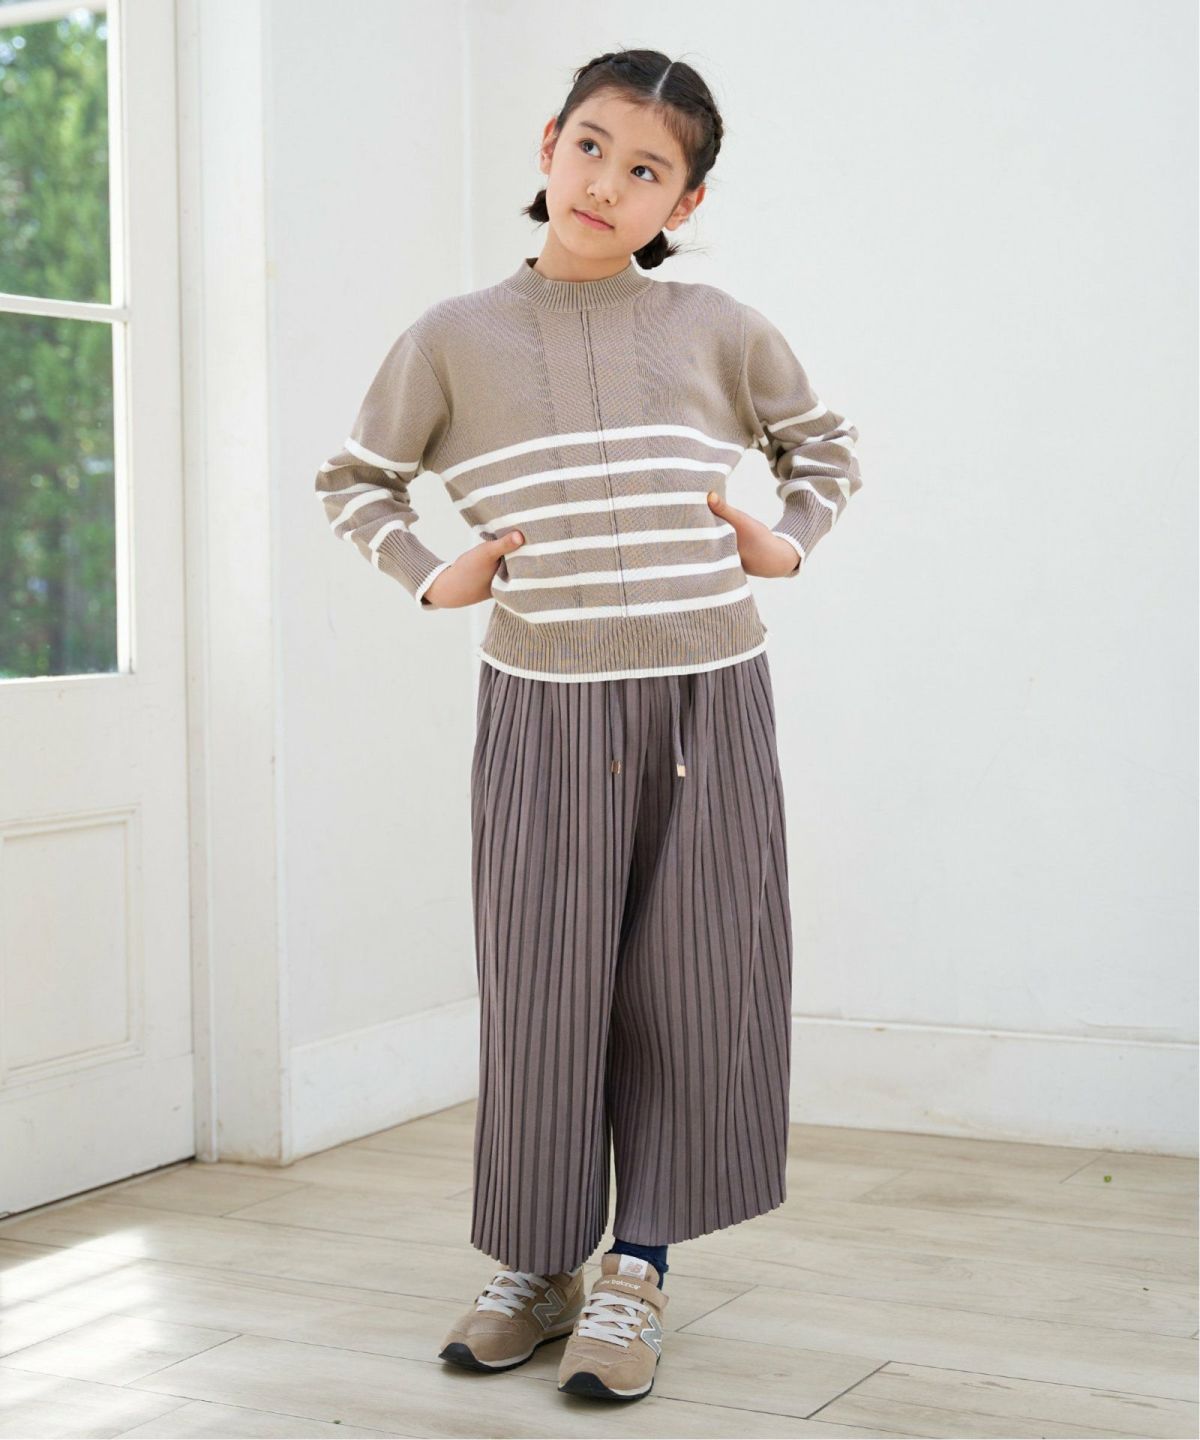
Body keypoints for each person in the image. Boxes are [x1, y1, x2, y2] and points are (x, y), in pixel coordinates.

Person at [314, 47, 862, 1405]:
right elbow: (356, 480)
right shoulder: (451, 337)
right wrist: (428, 571)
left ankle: (642, 1267)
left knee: (690, 984)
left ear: (686, 201)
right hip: (543, 704)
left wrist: (785, 540)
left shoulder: (719, 326)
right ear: (552, 143)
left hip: (707, 698)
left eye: (648, 169)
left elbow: (826, 450)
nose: (609, 183)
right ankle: (537, 1264)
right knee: (544, 986)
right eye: (593, 148)